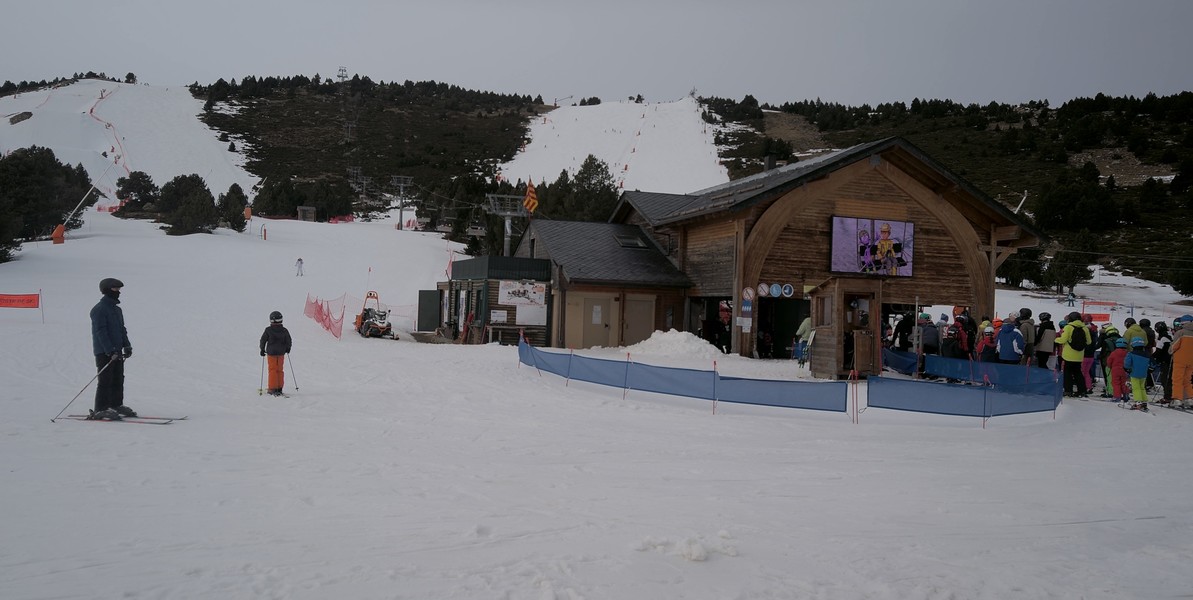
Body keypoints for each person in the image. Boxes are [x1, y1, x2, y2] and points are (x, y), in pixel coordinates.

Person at [89, 278, 135, 420]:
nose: (118, 292)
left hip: (117, 350)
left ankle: (116, 404)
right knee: (105, 380)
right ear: (106, 290)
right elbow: (100, 332)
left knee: (118, 378)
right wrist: (109, 350)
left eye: (119, 290)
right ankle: (100, 409)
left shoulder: (116, 310)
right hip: (104, 352)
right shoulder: (99, 309)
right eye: (115, 290)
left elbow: (122, 329)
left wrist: (126, 345)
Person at [1055, 311, 1092, 397]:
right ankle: (1082, 390)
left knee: (1067, 373)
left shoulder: (1068, 327)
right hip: (1079, 355)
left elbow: (1063, 340)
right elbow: (1089, 342)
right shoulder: (1085, 328)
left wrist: (1056, 340)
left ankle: (1068, 391)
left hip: (1068, 355)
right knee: (1078, 373)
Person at [259, 310, 293, 396]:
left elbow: (263, 340)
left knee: (272, 370)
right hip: (281, 353)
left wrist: (262, 349)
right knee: (279, 370)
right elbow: (288, 340)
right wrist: (288, 348)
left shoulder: (268, 330)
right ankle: (279, 387)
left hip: (271, 354)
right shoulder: (284, 330)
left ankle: (272, 388)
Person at [1123, 337, 1151, 410]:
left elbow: (1127, 364)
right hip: (1144, 374)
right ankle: (1144, 402)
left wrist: (1127, 369)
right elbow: (1151, 363)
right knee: (1142, 388)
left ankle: (1138, 403)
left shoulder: (1131, 354)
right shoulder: (1147, 354)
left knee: (1136, 388)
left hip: (1134, 373)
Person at [1170, 322, 1193, 408]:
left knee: (1177, 379)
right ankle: (1189, 398)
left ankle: (1177, 399)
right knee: (1187, 379)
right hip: (1191, 360)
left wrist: (1170, 350)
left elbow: (1175, 345)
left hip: (1180, 359)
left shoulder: (1181, 333)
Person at [1105, 338, 1131, 402]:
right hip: (1125, 370)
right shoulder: (1128, 353)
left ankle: (1117, 397)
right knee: (1124, 383)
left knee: (1116, 383)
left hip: (1115, 370)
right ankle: (1126, 395)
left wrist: (1110, 366)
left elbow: (1109, 361)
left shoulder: (1114, 353)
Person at [1153, 321, 1173, 403]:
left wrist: (1152, 357)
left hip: (1165, 361)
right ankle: (1171, 395)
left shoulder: (1162, 338)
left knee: (1165, 379)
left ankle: (1167, 397)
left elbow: (1158, 351)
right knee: (1170, 378)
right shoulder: (1170, 335)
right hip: (1172, 359)